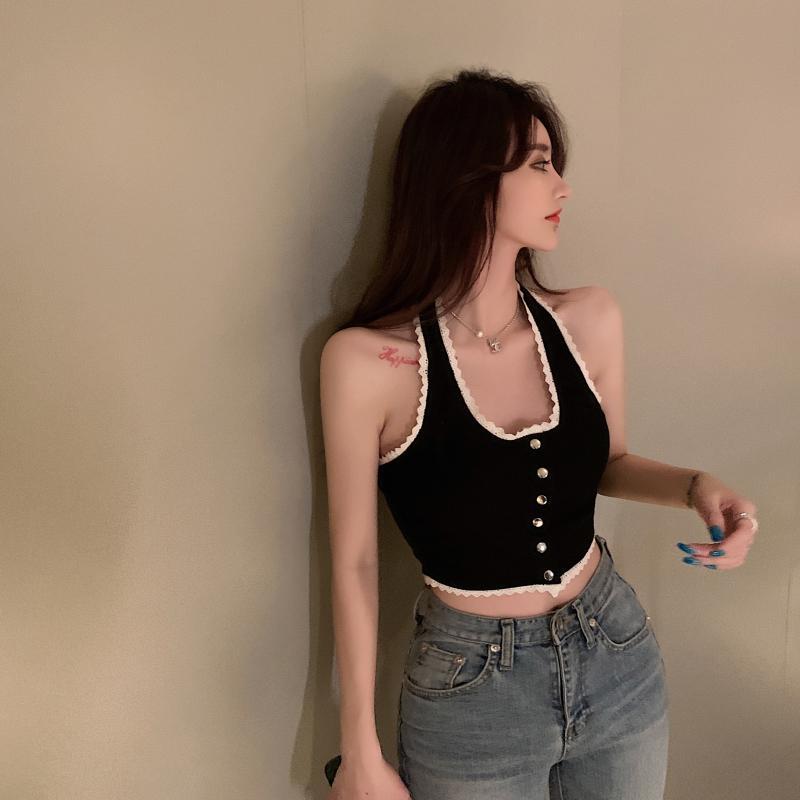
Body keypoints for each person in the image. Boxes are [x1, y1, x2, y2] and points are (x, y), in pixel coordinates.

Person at [319, 68, 758, 800]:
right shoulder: (369, 363)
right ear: (466, 176)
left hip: (614, 649)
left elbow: (609, 461)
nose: (563, 187)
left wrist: (695, 487)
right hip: (470, 692)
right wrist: (358, 749)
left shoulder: (589, 319)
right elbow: (356, 562)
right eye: (539, 163)